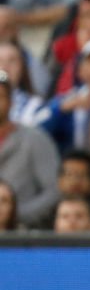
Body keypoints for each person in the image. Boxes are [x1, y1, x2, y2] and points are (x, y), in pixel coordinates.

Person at [0, 70, 59, 227]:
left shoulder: (35, 139)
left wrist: (13, 215)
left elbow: (54, 190)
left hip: (23, 234)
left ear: (11, 101)